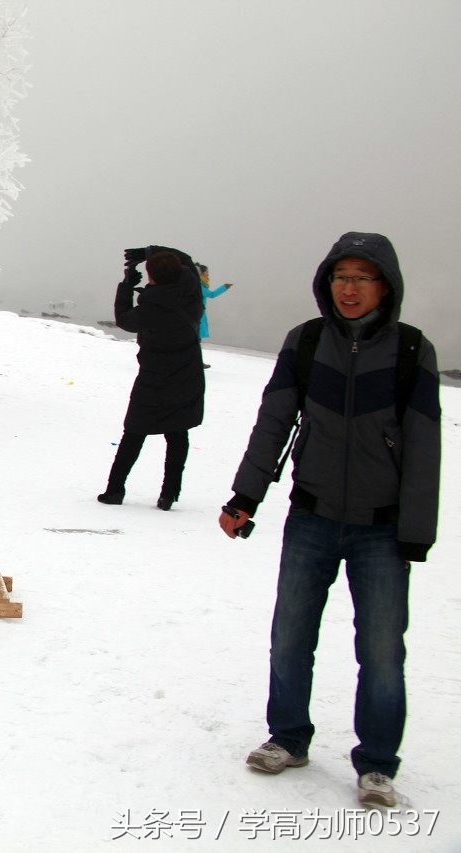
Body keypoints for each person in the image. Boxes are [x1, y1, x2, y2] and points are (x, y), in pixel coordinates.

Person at [219, 232, 440, 809]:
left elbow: (424, 448)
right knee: (290, 634)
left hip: (382, 528)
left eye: (362, 277)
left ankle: (377, 764)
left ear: (385, 286)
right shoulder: (307, 342)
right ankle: (287, 738)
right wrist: (245, 495)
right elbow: (274, 422)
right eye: (341, 276)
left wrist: (416, 529)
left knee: (383, 649)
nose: (349, 288)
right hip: (312, 515)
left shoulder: (414, 351)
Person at [97, 247, 204, 510]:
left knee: (134, 432)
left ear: (152, 277)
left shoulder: (151, 309)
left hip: (154, 378)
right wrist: (150, 251)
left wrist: (126, 286)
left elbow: (124, 320)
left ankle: (114, 490)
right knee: (178, 434)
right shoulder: (191, 292)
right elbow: (187, 260)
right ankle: (169, 495)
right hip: (188, 375)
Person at [196, 263, 233, 341]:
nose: (208, 274)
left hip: (199, 311)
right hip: (198, 312)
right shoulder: (199, 285)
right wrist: (224, 287)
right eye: (206, 272)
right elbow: (211, 294)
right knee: (197, 335)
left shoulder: (200, 284)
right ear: (202, 273)